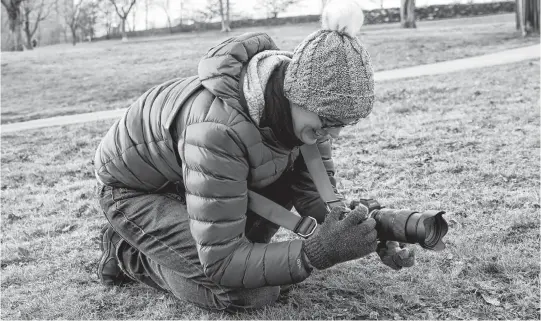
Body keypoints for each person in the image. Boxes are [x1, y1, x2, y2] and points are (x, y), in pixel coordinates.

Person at [94, 0, 415, 312]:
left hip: (196, 178)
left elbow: (317, 201)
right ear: (295, 94)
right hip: (136, 192)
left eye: (342, 124)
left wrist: (370, 229)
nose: (334, 134)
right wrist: (314, 254)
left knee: (264, 265)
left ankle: (170, 240)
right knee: (252, 293)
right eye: (329, 122)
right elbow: (222, 261)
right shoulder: (217, 131)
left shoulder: (303, 116)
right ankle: (127, 249)